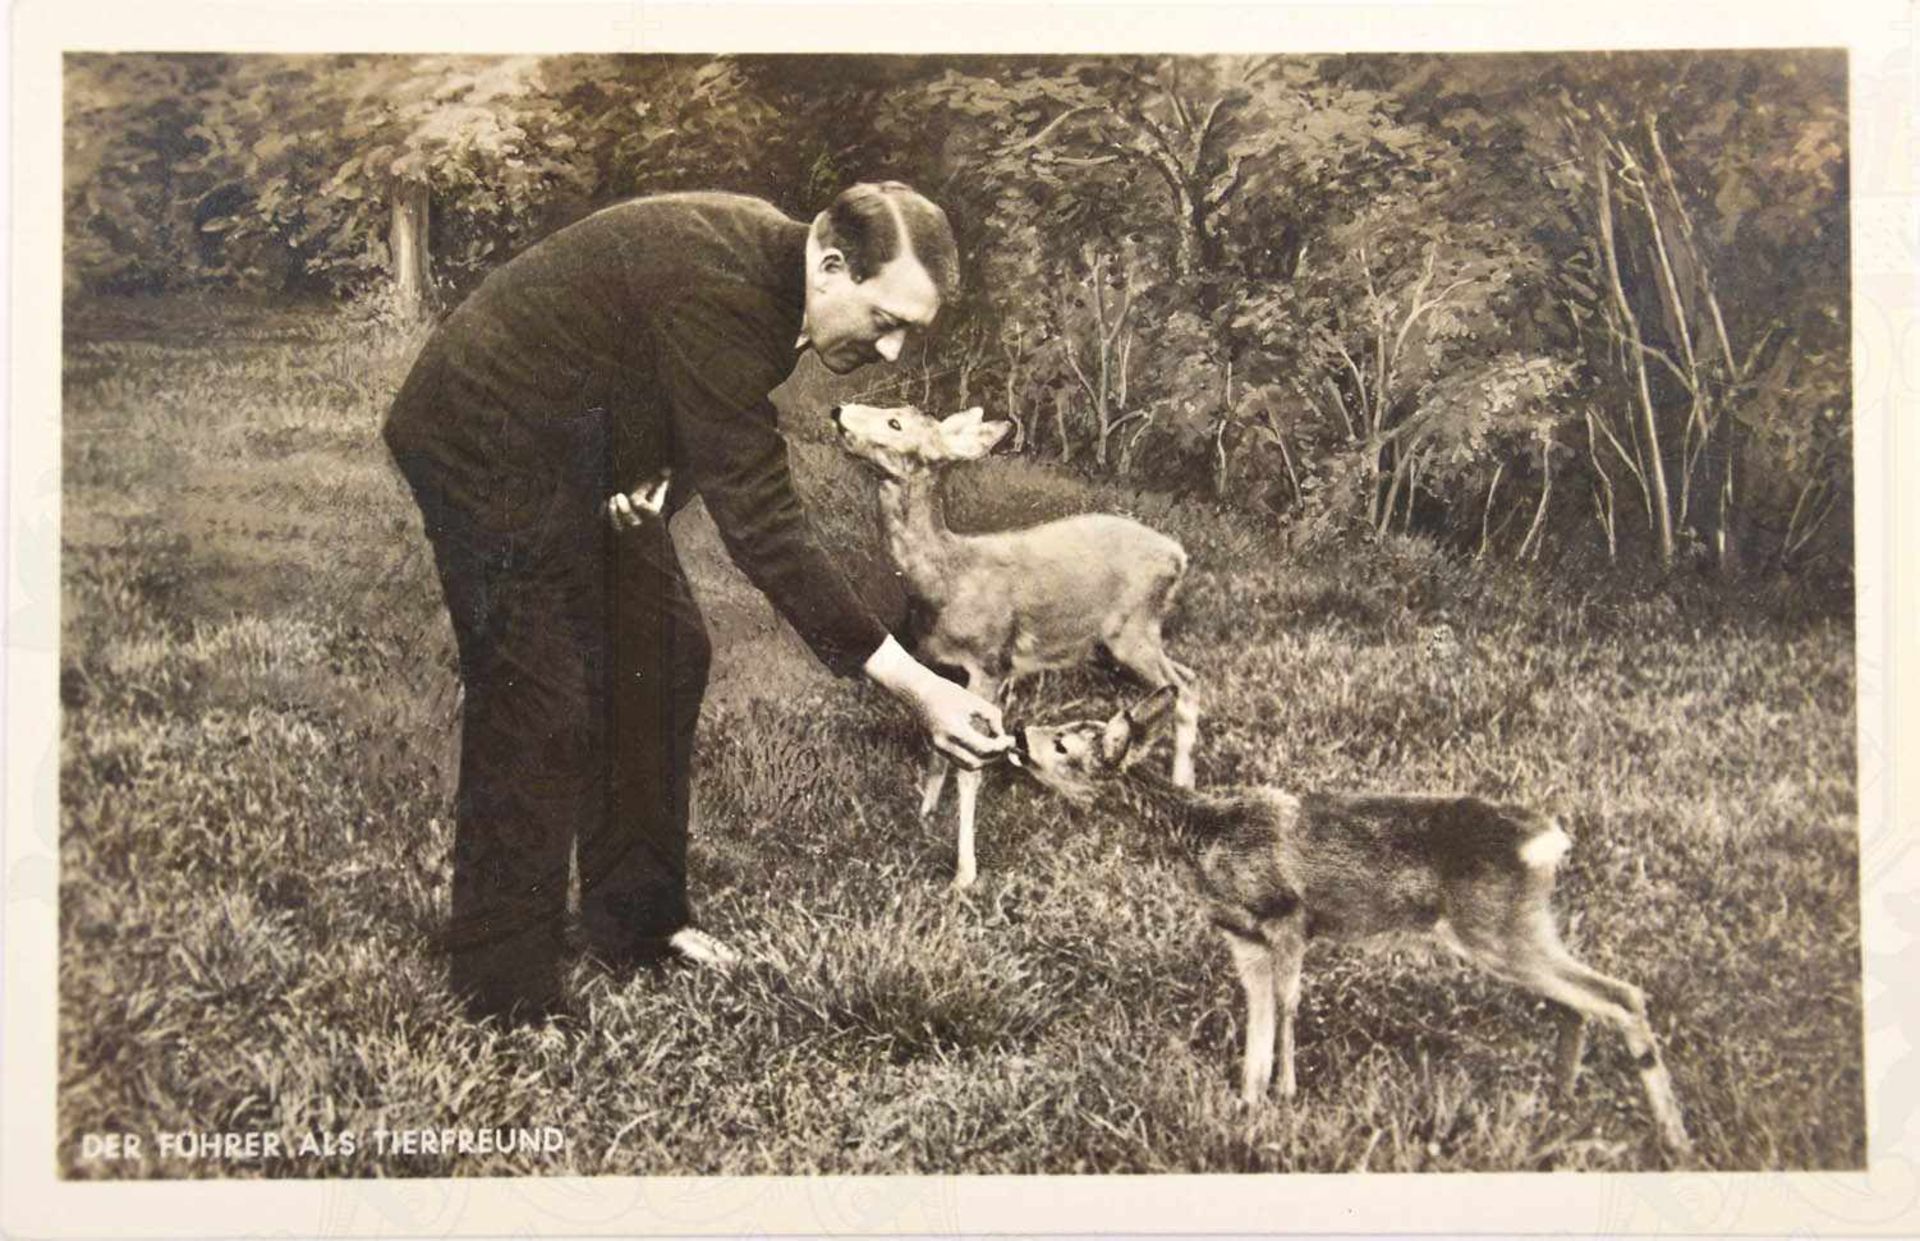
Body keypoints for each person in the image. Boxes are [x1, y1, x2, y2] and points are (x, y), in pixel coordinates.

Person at [383, 182, 1011, 1024]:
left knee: (668, 651)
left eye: (909, 332)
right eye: (886, 320)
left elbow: (674, 382)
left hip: (572, 441)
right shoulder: (731, 287)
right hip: (479, 438)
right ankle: (504, 985)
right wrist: (919, 686)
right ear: (830, 265)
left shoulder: (778, 281)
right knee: (538, 693)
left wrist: (650, 470)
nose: (894, 353)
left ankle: (637, 922)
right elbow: (765, 524)